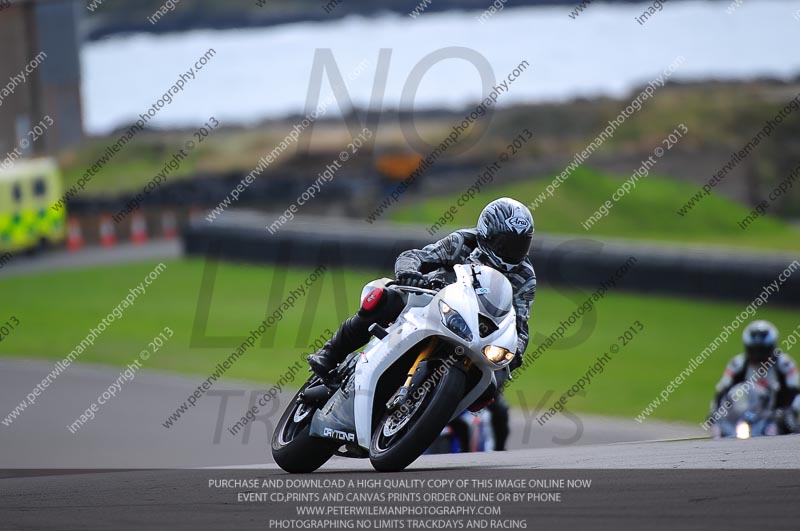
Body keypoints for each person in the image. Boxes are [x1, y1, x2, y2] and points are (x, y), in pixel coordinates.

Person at [307, 197, 537, 450]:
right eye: (504, 244)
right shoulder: (463, 242)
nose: (511, 252)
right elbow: (414, 256)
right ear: (486, 234)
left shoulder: (525, 275)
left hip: (476, 330)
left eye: (520, 245)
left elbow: (520, 323)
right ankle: (330, 353)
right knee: (385, 297)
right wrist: (409, 272)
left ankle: (432, 411)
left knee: (492, 385)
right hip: (430, 302)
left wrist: (516, 352)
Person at [708, 320, 800, 434]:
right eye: (754, 351)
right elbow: (722, 391)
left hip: (774, 416)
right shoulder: (738, 364)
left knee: (790, 427)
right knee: (718, 430)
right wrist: (714, 412)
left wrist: (789, 412)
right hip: (744, 416)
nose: (758, 356)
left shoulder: (785, 365)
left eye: (762, 350)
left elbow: (795, 394)